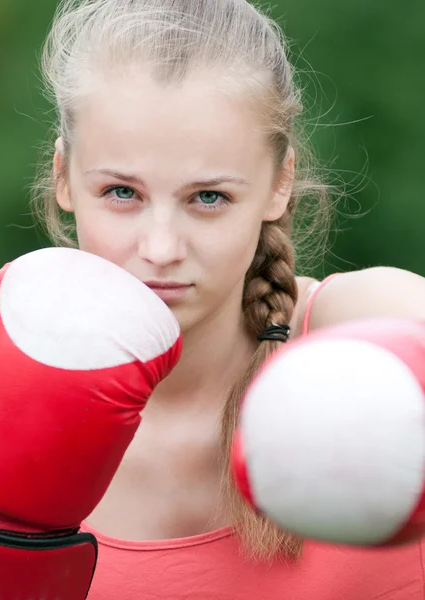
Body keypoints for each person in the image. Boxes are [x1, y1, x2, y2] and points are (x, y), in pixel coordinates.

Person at [27, 0, 425, 597]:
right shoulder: (3, 385)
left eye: (208, 197)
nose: (160, 248)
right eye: (120, 192)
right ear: (64, 176)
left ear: (279, 183)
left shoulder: (361, 327)